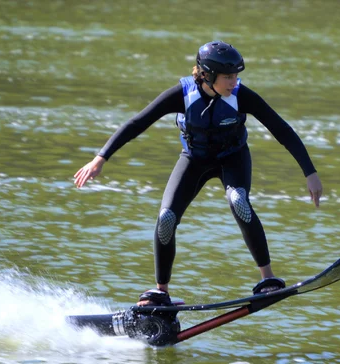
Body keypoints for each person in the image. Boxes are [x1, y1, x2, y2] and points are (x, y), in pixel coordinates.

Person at [74, 41, 323, 307]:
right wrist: (100, 158)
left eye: (236, 76)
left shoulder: (241, 96)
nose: (234, 82)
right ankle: (161, 292)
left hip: (233, 159)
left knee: (239, 202)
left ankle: (268, 280)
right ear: (207, 75)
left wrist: (310, 173)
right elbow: (137, 122)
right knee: (166, 218)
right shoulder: (182, 94)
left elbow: (282, 129)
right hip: (194, 160)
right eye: (228, 77)